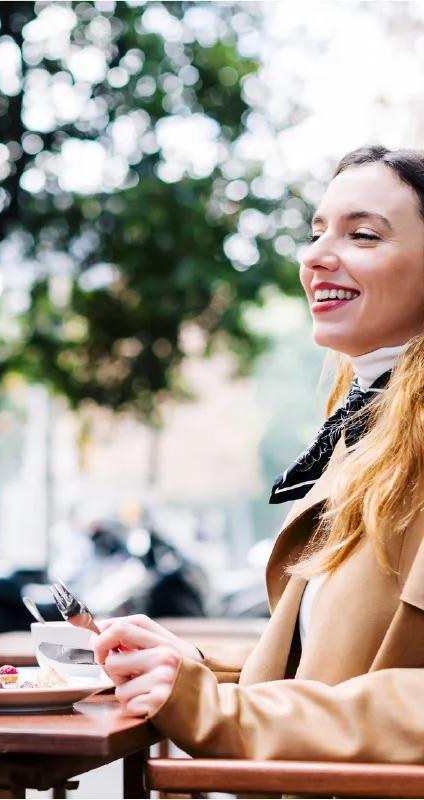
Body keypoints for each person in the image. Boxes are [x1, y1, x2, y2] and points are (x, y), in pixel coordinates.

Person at [92, 145, 424, 762]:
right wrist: (188, 667)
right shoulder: (371, 428)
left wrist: (217, 707)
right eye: (317, 230)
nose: (316, 257)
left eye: (363, 235)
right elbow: (331, 665)